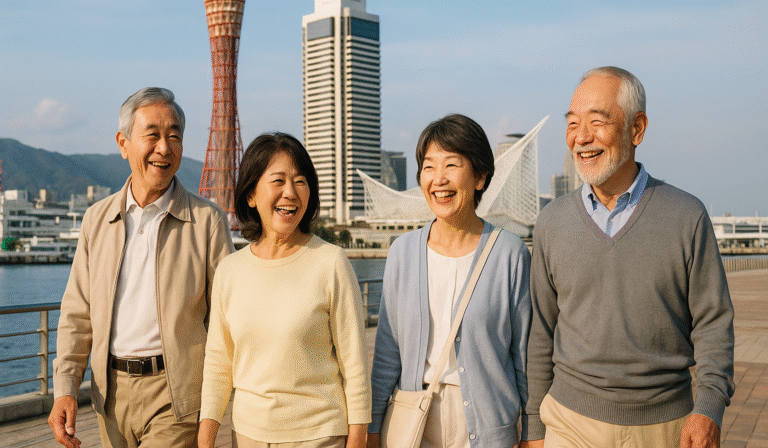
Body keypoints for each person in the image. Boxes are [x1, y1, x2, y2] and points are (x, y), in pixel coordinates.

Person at [520, 67, 735, 448]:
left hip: (667, 425)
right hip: (569, 420)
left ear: (637, 129)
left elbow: (713, 324)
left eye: (596, 121)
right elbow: (541, 334)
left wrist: (709, 407)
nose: (581, 137)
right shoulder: (551, 221)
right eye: (572, 123)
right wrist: (535, 429)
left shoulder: (687, 216)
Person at [48, 87, 235, 448]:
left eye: (174, 136)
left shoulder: (206, 221)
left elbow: (227, 318)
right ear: (123, 143)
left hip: (176, 395)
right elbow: (77, 314)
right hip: (109, 393)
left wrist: (214, 405)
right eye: (152, 135)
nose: (164, 148)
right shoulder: (97, 220)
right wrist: (65, 388)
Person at [197, 132, 371, 448]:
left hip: (319, 436)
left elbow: (355, 367)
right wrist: (205, 439)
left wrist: (357, 442)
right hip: (247, 436)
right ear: (251, 195)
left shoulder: (330, 262)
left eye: (300, 181)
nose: (290, 193)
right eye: (278, 181)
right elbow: (219, 365)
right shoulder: (230, 271)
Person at [368, 114, 532, 448]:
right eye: (429, 167)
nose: (438, 179)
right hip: (413, 424)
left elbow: (526, 356)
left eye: (452, 165)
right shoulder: (403, 252)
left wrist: (533, 433)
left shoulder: (510, 254)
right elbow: (388, 351)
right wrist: (372, 427)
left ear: (480, 177)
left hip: (488, 428)